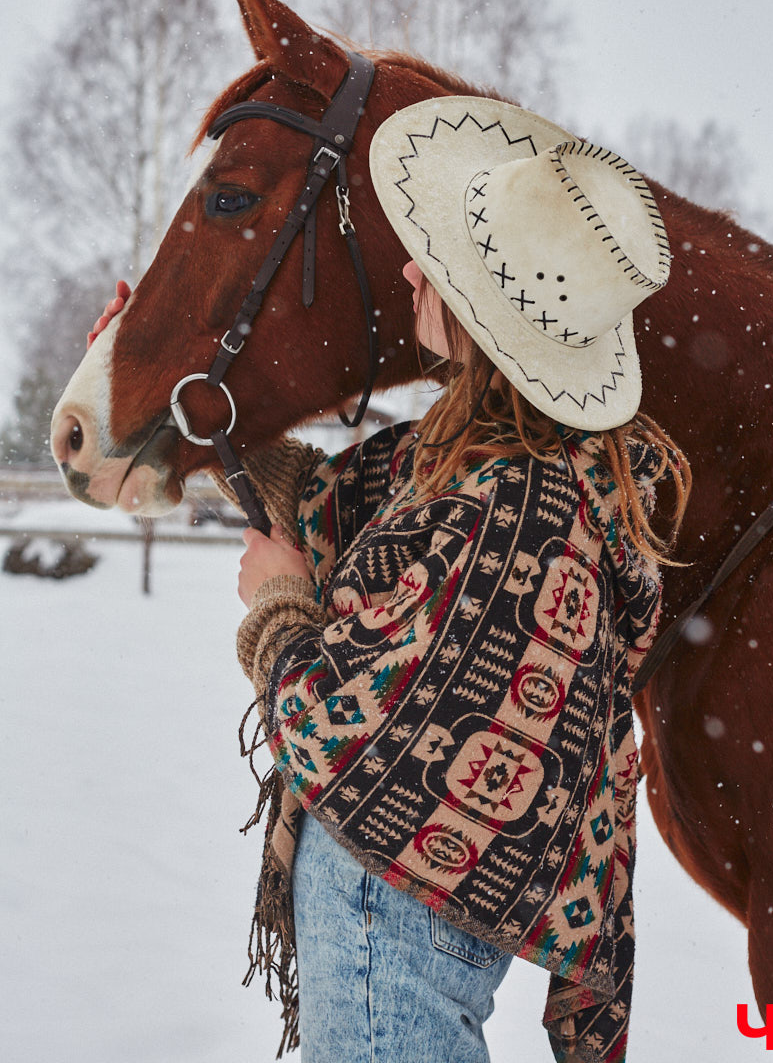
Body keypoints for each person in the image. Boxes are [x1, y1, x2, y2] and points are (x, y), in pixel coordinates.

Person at [92, 96, 691, 1063]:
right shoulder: (490, 465)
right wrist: (151, 398)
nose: (409, 268)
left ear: (485, 316)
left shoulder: (515, 508)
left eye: (437, 263)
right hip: (393, 912)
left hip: (388, 915)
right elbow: (324, 501)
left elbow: (347, 720)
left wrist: (278, 608)